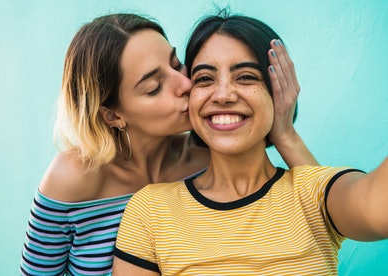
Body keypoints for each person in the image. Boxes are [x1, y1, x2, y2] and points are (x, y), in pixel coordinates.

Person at [20, 13, 318, 275]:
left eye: (177, 65)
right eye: (154, 87)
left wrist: (284, 132)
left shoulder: (208, 157)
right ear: (113, 115)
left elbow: (320, 215)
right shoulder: (72, 178)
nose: (186, 84)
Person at [112, 12, 388, 275]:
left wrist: (285, 133)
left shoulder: (314, 192)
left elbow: (378, 206)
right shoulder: (150, 209)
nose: (223, 94)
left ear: (278, 92)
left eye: (246, 76)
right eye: (205, 79)